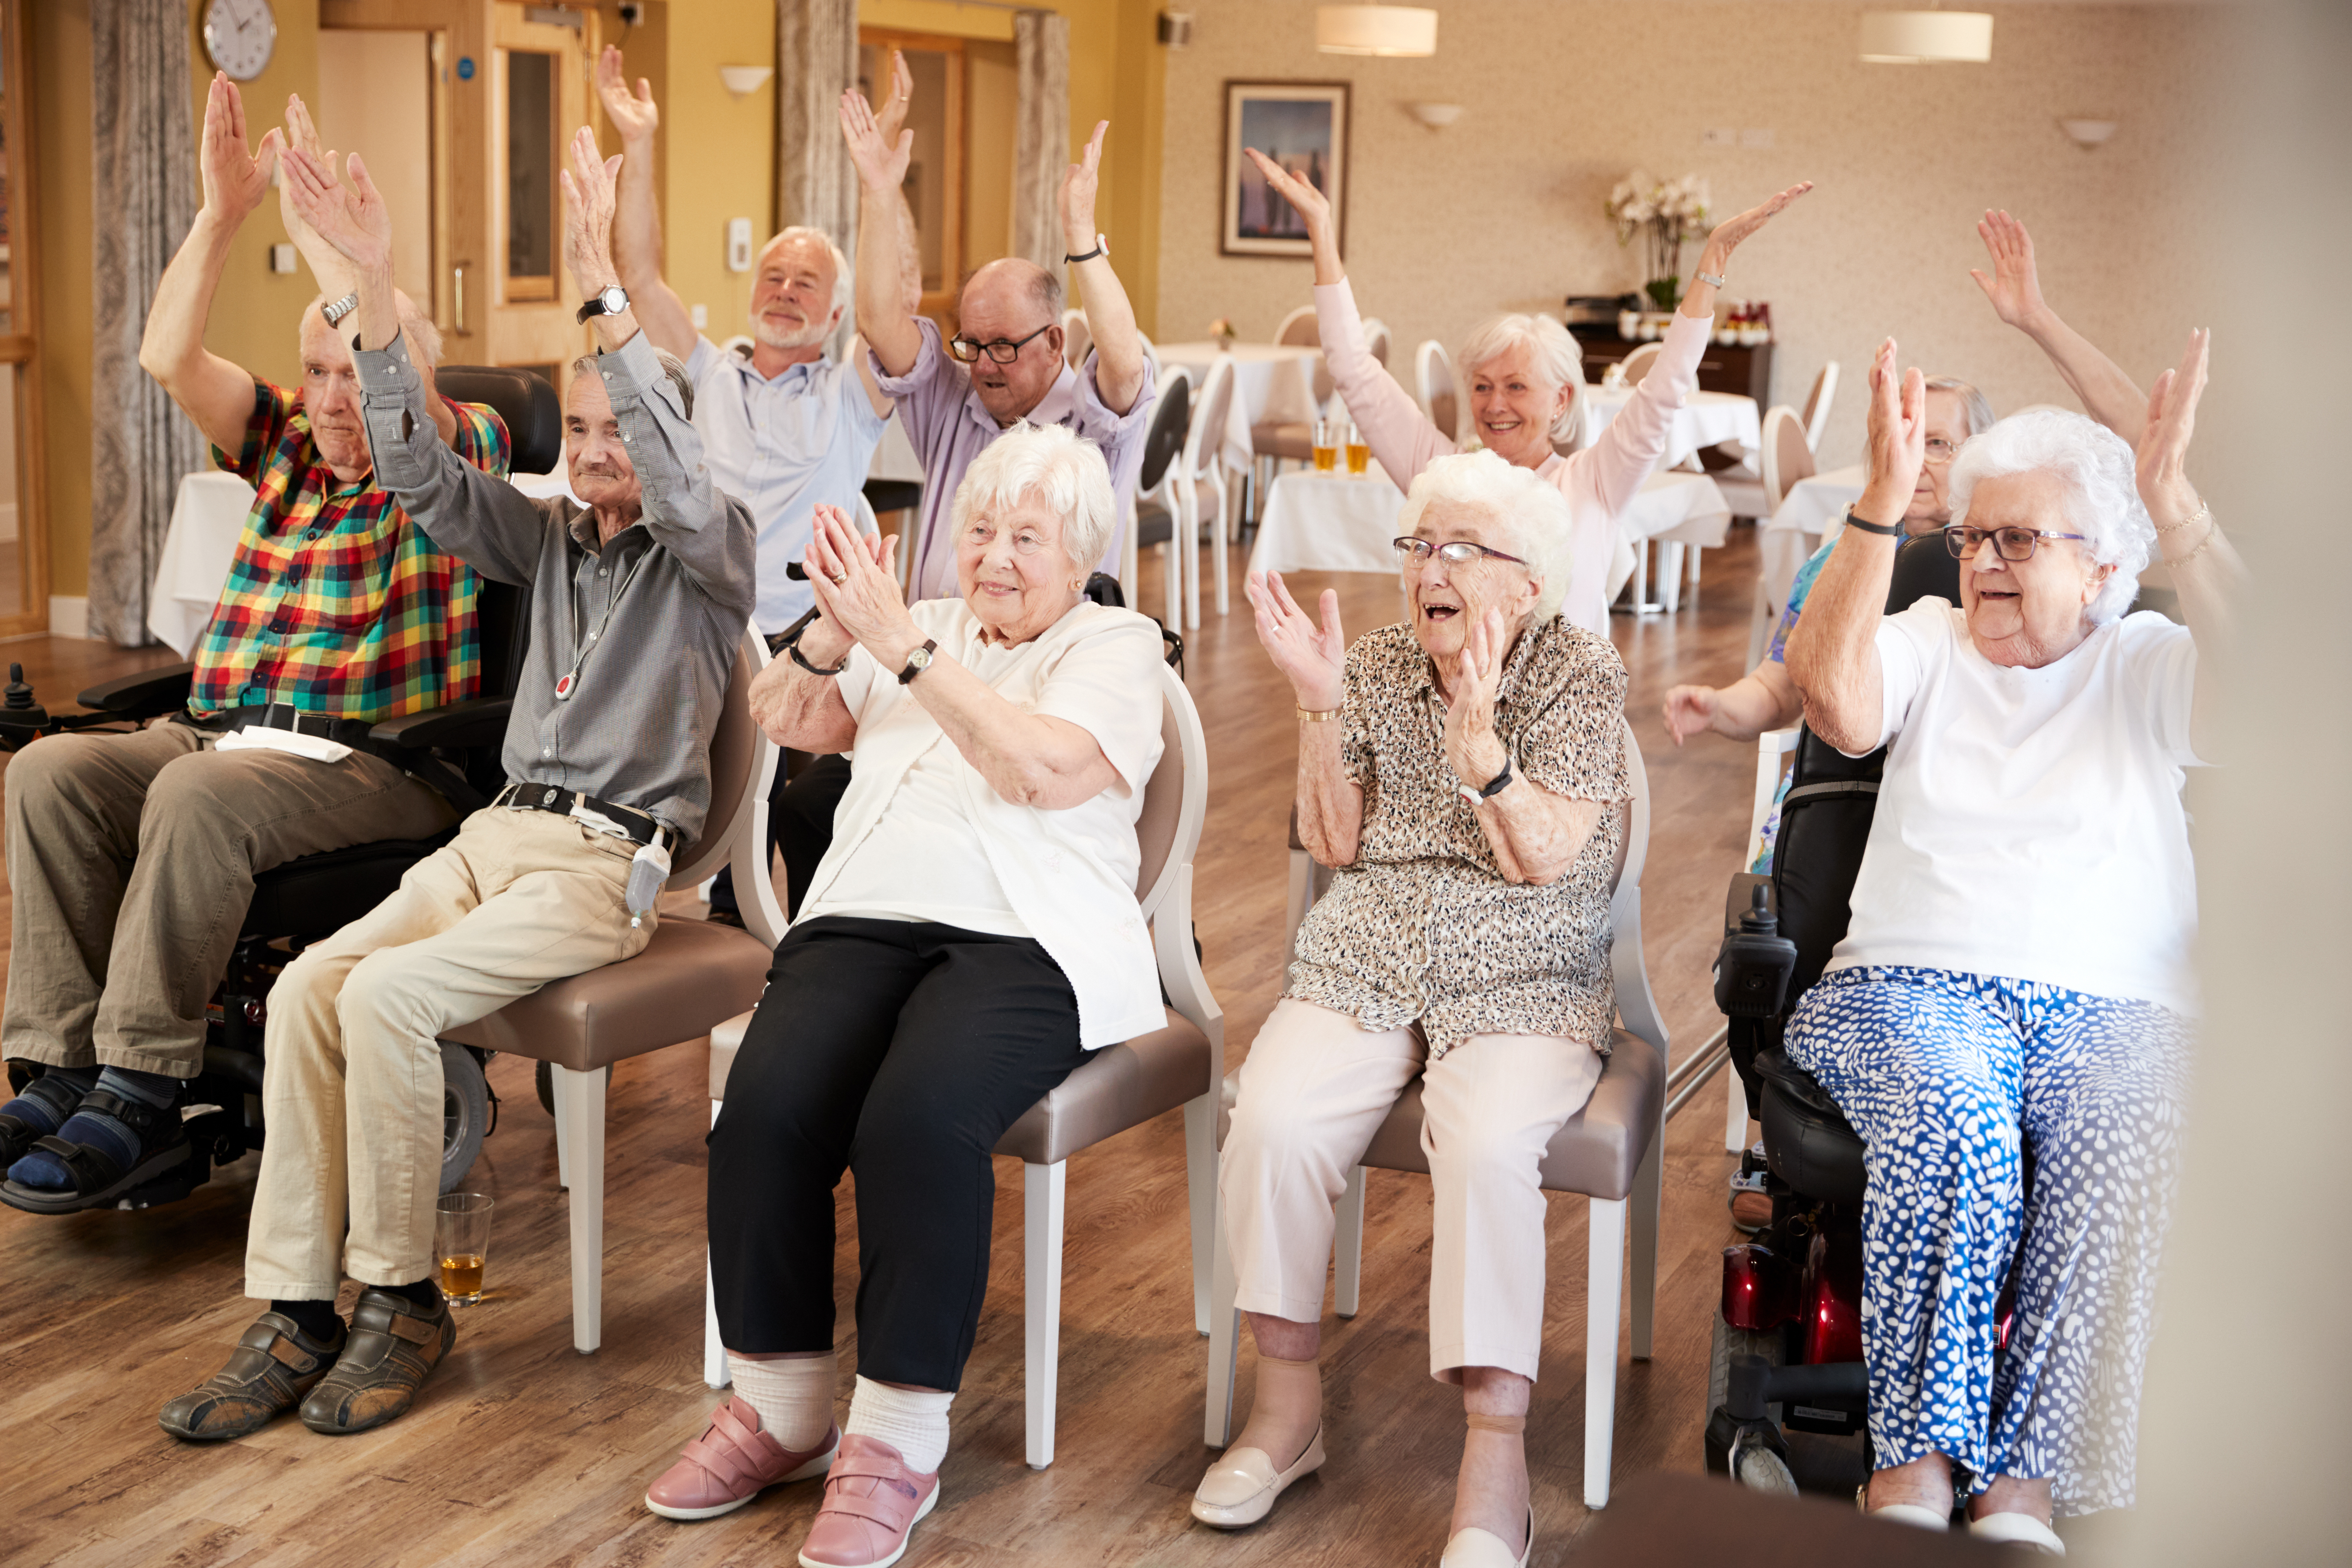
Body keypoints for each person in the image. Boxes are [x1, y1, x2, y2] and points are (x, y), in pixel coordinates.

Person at [155, 126, 754, 1442]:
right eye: (581, 429)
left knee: (387, 996)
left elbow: (673, 463)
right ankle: (302, 1313)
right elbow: (420, 475)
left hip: (606, 863)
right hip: (497, 836)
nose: (597, 451)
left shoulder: (711, 559)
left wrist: (603, 288)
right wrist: (374, 289)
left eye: (619, 431)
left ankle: (403, 1299)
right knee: (313, 984)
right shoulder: (544, 540)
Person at [644, 425, 1165, 1568]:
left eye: (1028, 536)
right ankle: (781, 1409)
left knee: (918, 1119)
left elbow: (1037, 768)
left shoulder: (1119, 643)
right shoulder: (910, 619)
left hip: (1030, 937)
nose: (995, 556)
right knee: (765, 1106)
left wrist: (906, 649)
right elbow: (791, 718)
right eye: (980, 529)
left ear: (1079, 555)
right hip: (865, 914)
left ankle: (894, 1439)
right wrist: (836, 640)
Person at [0, 75, 508, 1214]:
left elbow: (399, 397)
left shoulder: (452, 458)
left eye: (356, 373)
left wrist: (346, 252)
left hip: (374, 762)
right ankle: (63, 1060)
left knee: (192, 795)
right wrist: (222, 213)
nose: (336, 398)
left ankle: (138, 1083)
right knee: (45, 771)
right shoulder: (279, 444)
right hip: (224, 734)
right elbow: (167, 354)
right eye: (317, 372)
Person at [1781, 334, 2239, 1544]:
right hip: (1907, 986)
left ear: (2102, 569)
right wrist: (1879, 511)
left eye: (2019, 540)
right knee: (1958, 1118)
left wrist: (2179, 502)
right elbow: (1833, 701)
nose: (1983, 561)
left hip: (2120, 1003)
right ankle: (1917, 1466)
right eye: (1977, 535)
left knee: (2129, 1114)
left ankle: (2026, 1483)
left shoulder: (2147, 660)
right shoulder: (1930, 638)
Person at [1197, 451, 1629, 1567]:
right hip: (1373, 945)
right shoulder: (1382, 661)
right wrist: (1314, 701)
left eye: (1459, 548)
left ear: (1523, 581)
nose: (1428, 568)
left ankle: (1493, 1460)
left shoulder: (1575, 671)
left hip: (1523, 961)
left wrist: (1483, 752)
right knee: (1274, 1119)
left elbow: (1543, 859)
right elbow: (1334, 843)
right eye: (1417, 546)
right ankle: (1285, 1412)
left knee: (1487, 1142)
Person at [1665, 209, 2150, 797]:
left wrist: (2037, 321)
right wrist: (1719, 706)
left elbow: (2139, 448)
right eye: (1904, 441)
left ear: (1982, 460)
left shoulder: (2031, 570)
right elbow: (1780, 686)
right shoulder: (1836, 567)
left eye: (1938, 444)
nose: (1915, 462)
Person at [594, 45, 911, 922]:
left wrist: (878, 190)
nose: (783, 290)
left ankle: (803, 924)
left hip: (814, 628)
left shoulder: (851, 388)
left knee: (806, 802)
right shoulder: (705, 373)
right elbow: (638, 277)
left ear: (835, 312)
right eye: (772, 276)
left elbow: (894, 319)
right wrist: (641, 143)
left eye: (806, 282)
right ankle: (700, 902)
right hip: (712, 623)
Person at [1245, 148, 1809, 634]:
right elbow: (1353, 369)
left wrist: (1710, 262)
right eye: (1482, 386)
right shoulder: (1440, 472)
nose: (1494, 404)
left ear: (1561, 399)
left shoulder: (1594, 480)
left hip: (1562, 721)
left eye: (1517, 387)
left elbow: (1663, 390)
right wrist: (1320, 229)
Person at [839, 82, 1154, 603]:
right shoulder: (951, 401)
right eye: (973, 344)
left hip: (1044, 666)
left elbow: (1123, 367)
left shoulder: (1093, 429)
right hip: (931, 654)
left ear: (1054, 342)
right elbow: (878, 320)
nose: (984, 365)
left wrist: (1080, 236)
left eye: (1004, 346)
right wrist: (877, 192)